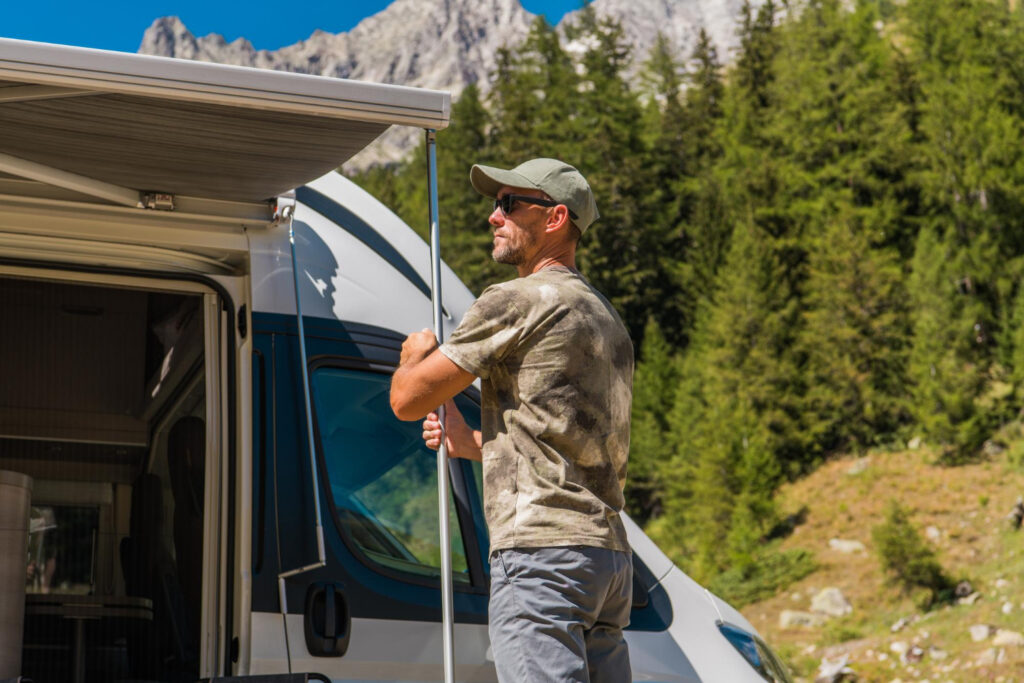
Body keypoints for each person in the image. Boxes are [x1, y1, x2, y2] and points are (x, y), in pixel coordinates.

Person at [390, 158, 635, 682]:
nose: (493, 218)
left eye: (508, 204)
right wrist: (470, 439)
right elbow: (566, 443)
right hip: (607, 562)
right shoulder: (604, 316)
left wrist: (416, 354)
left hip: (542, 557)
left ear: (554, 219)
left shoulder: (517, 300)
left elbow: (408, 400)